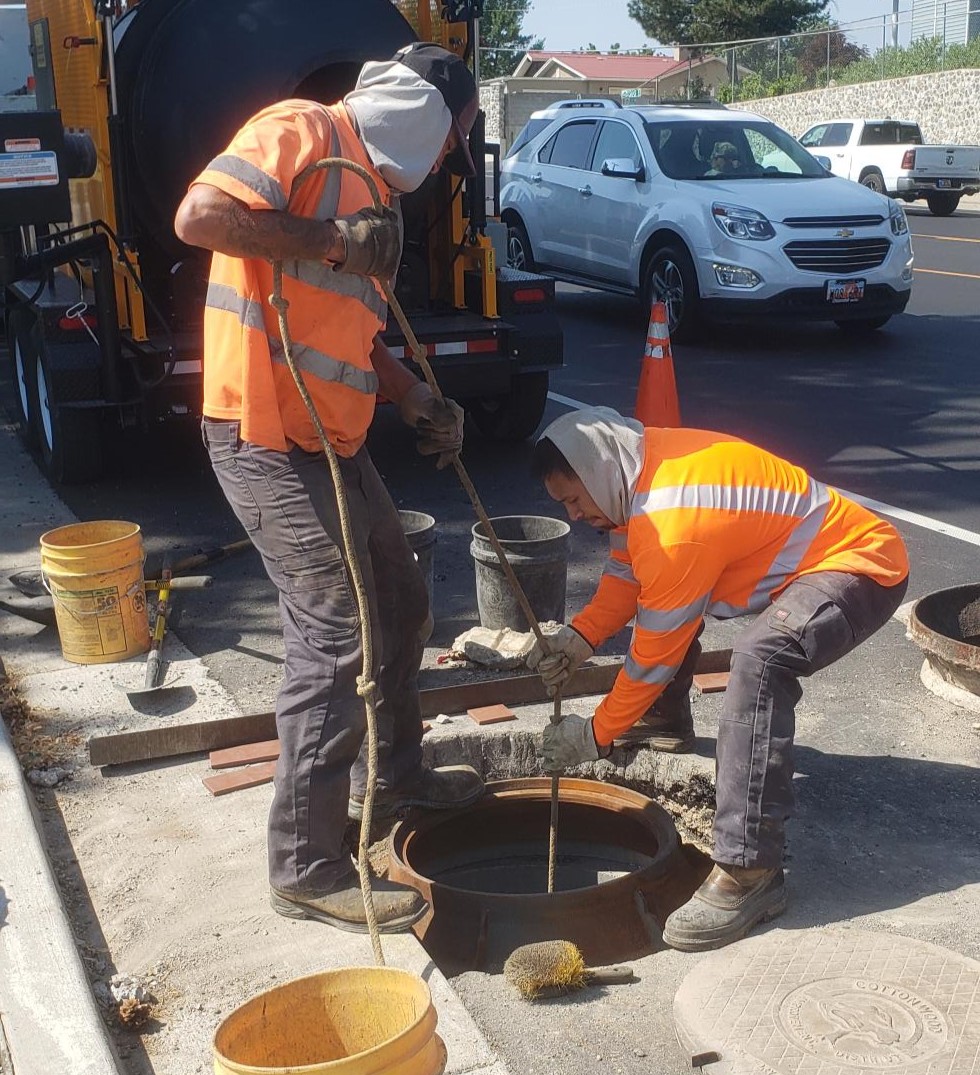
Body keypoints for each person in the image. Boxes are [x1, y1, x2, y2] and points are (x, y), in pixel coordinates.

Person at [174, 43, 485, 935]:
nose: (445, 161)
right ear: (427, 113)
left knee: (402, 595)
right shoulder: (303, 133)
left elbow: (357, 330)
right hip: (262, 434)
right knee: (336, 626)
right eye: (453, 137)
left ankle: (393, 781)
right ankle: (306, 864)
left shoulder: (374, 197)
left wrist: (418, 394)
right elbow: (200, 216)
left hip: (330, 442)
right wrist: (329, 239)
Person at [528, 408, 909, 951]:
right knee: (667, 599)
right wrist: (582, 636)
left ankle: (748, 872)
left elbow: (655, 650)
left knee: (761, 659)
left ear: (598, 472)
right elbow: (627, 574)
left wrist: (596, 734)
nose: (574, 512)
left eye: (574, 499)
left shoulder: (672, 520)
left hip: (861, 565)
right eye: (563, 503)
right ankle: (662, 718)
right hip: (805, 559)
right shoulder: (632, 476)